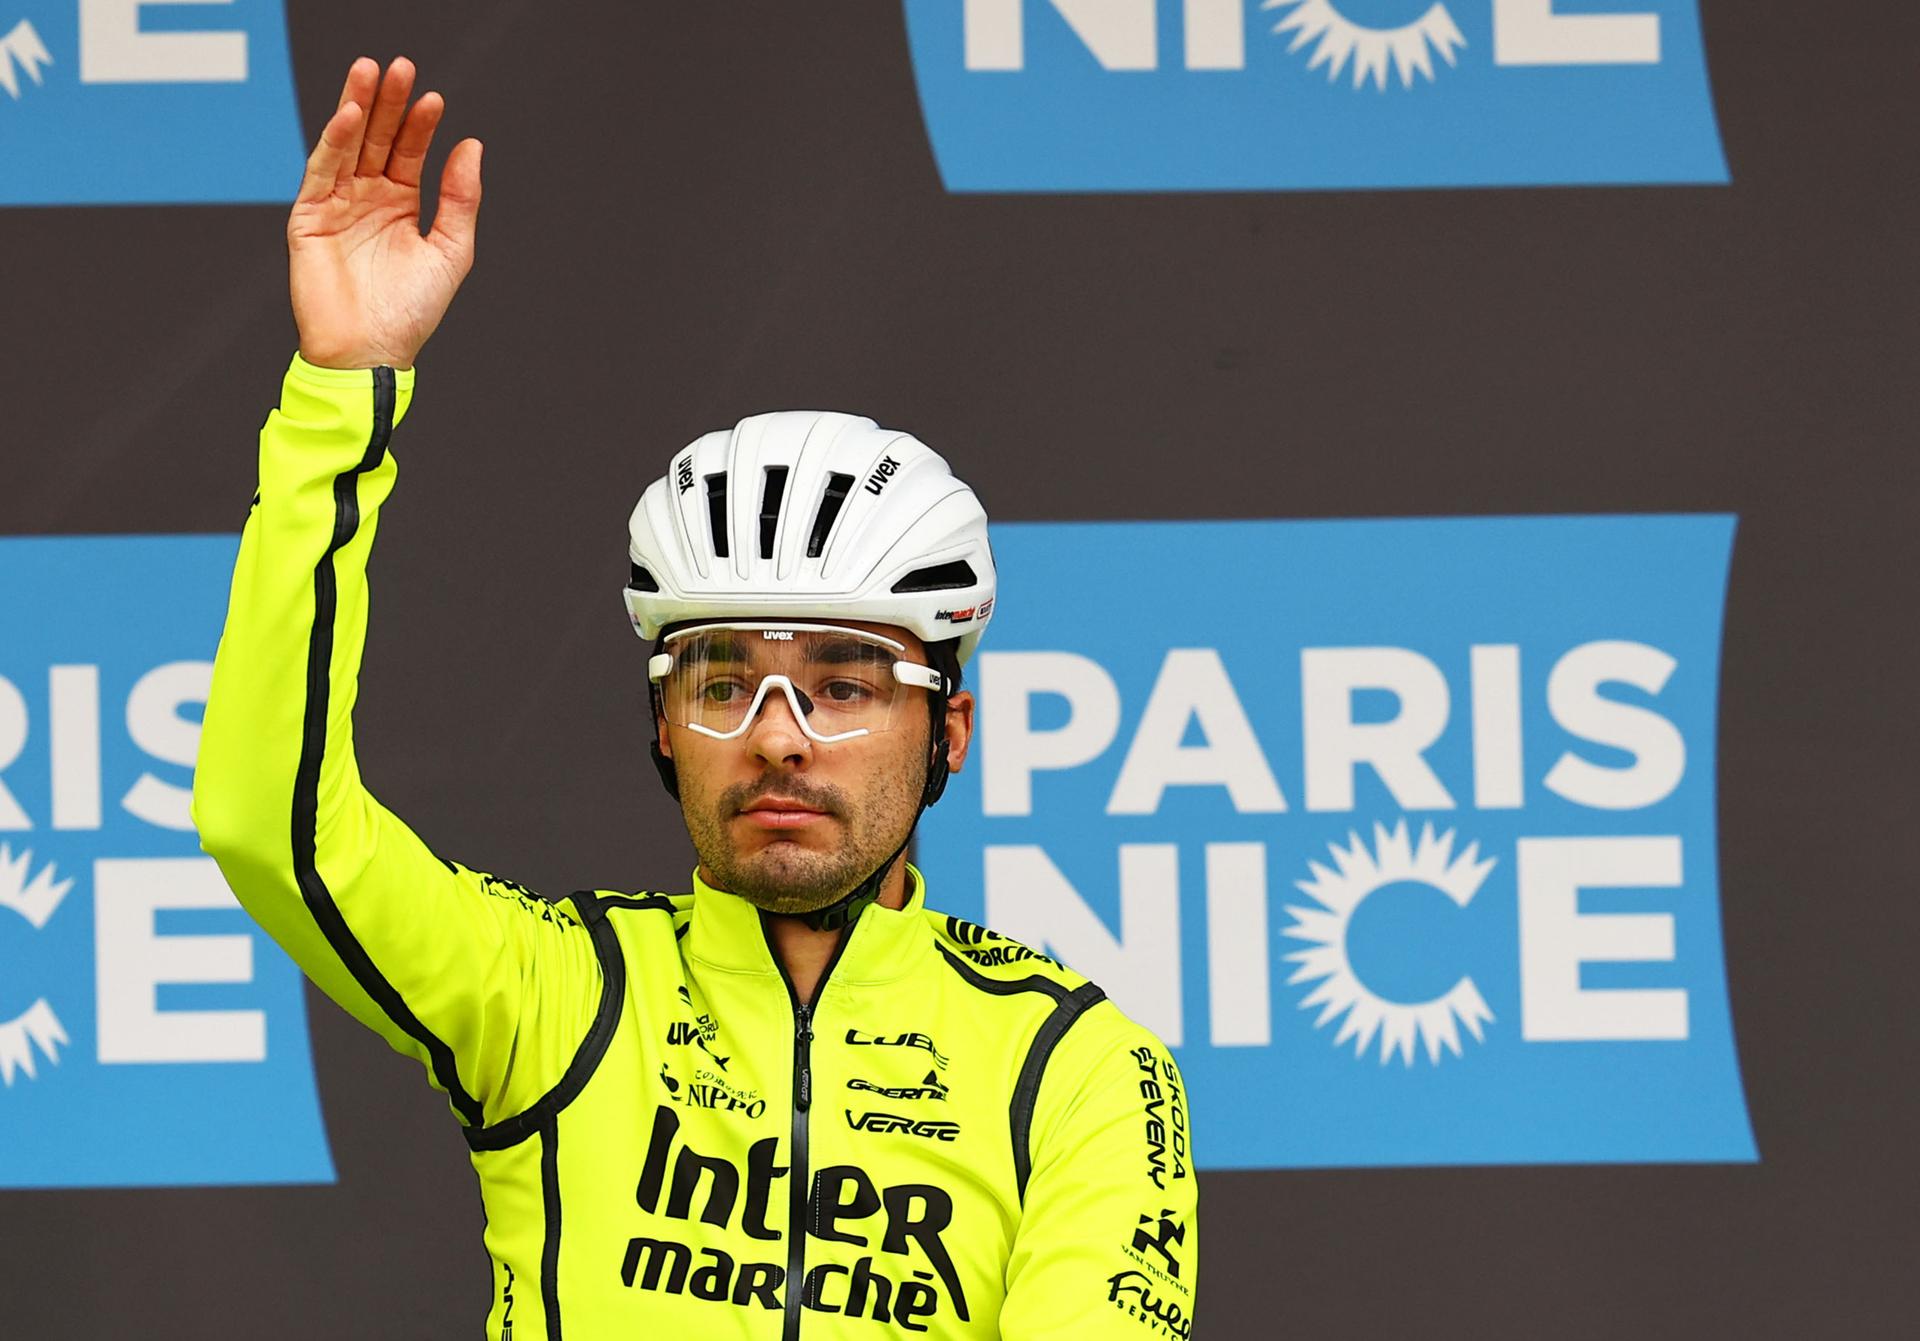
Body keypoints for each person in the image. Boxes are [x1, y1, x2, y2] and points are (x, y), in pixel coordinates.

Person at [193, 56, 1197, 1341]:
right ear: (664, 724)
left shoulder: (1080, 1067)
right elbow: (266, 824)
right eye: (725, 682)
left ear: (947, 727)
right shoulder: (560, 991)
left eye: (845, 685)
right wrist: (343, 387)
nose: (778, 735)